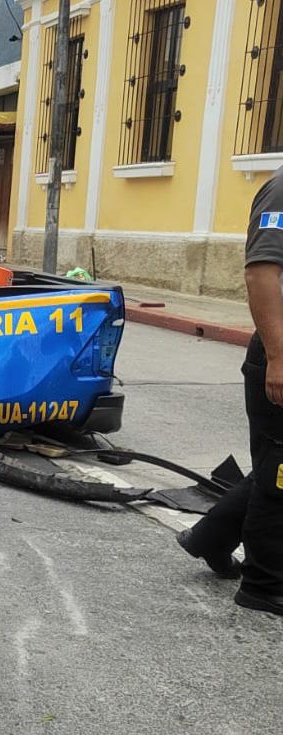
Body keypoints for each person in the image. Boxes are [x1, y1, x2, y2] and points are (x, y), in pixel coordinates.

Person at [177, 165, 283, 615]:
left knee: (273, 464)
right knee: (281, 471)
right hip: (281, 351)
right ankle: (265, 584)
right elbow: (261, 273)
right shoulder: (281, 190)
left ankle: (209, 537)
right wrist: (279, 357)